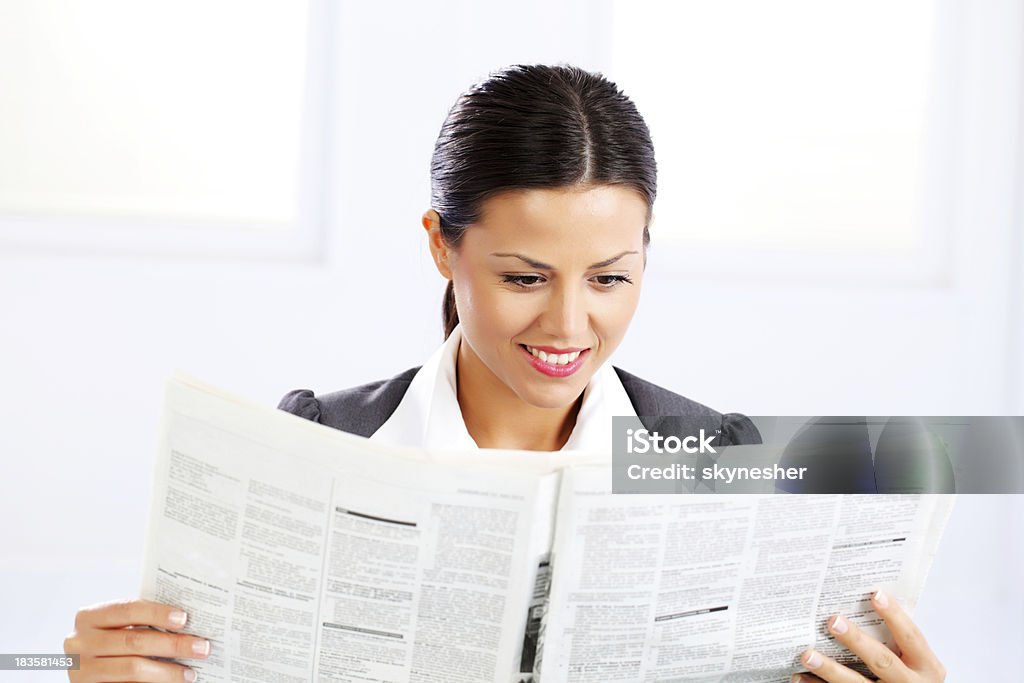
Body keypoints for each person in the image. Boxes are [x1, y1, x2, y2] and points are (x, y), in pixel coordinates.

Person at [63, 64, 947, 683]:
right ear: (442, 245)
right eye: (523, 277)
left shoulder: (724, 455)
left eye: (609, 278)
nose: (568, 325)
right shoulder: (317, 440)